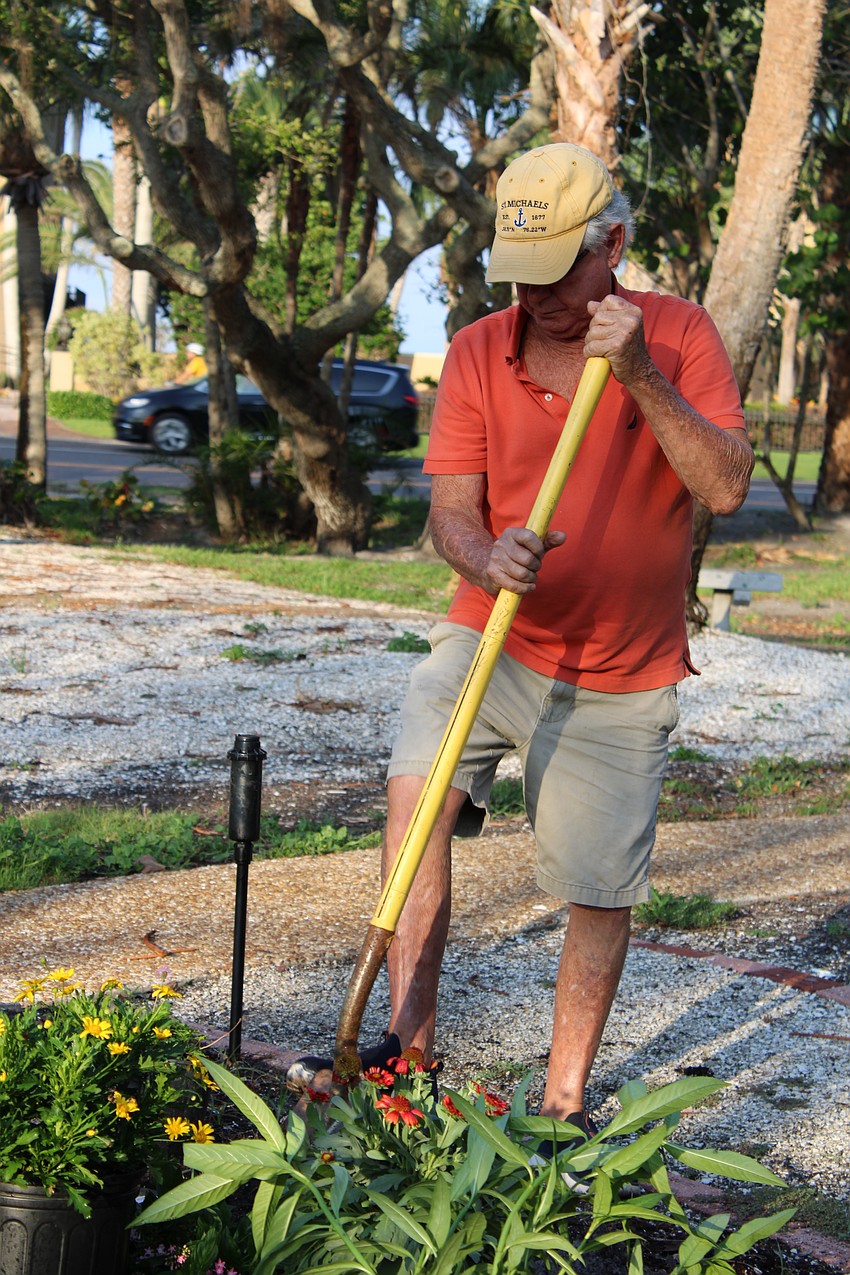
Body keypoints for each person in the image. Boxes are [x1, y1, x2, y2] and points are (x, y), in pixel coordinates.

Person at [289, 143, 753, 1181]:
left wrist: (636, 375)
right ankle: (403, 1053)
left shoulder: (677, 335)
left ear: (613, 246)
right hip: (489, 635)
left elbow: (723, 485)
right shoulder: (473, 352)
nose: (533, 293)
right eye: (518, 271)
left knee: (596, 888)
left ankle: (562, 1105)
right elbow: (451, 511)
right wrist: (484, 553)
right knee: (415, 816)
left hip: (623, 666)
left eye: (556, 271)